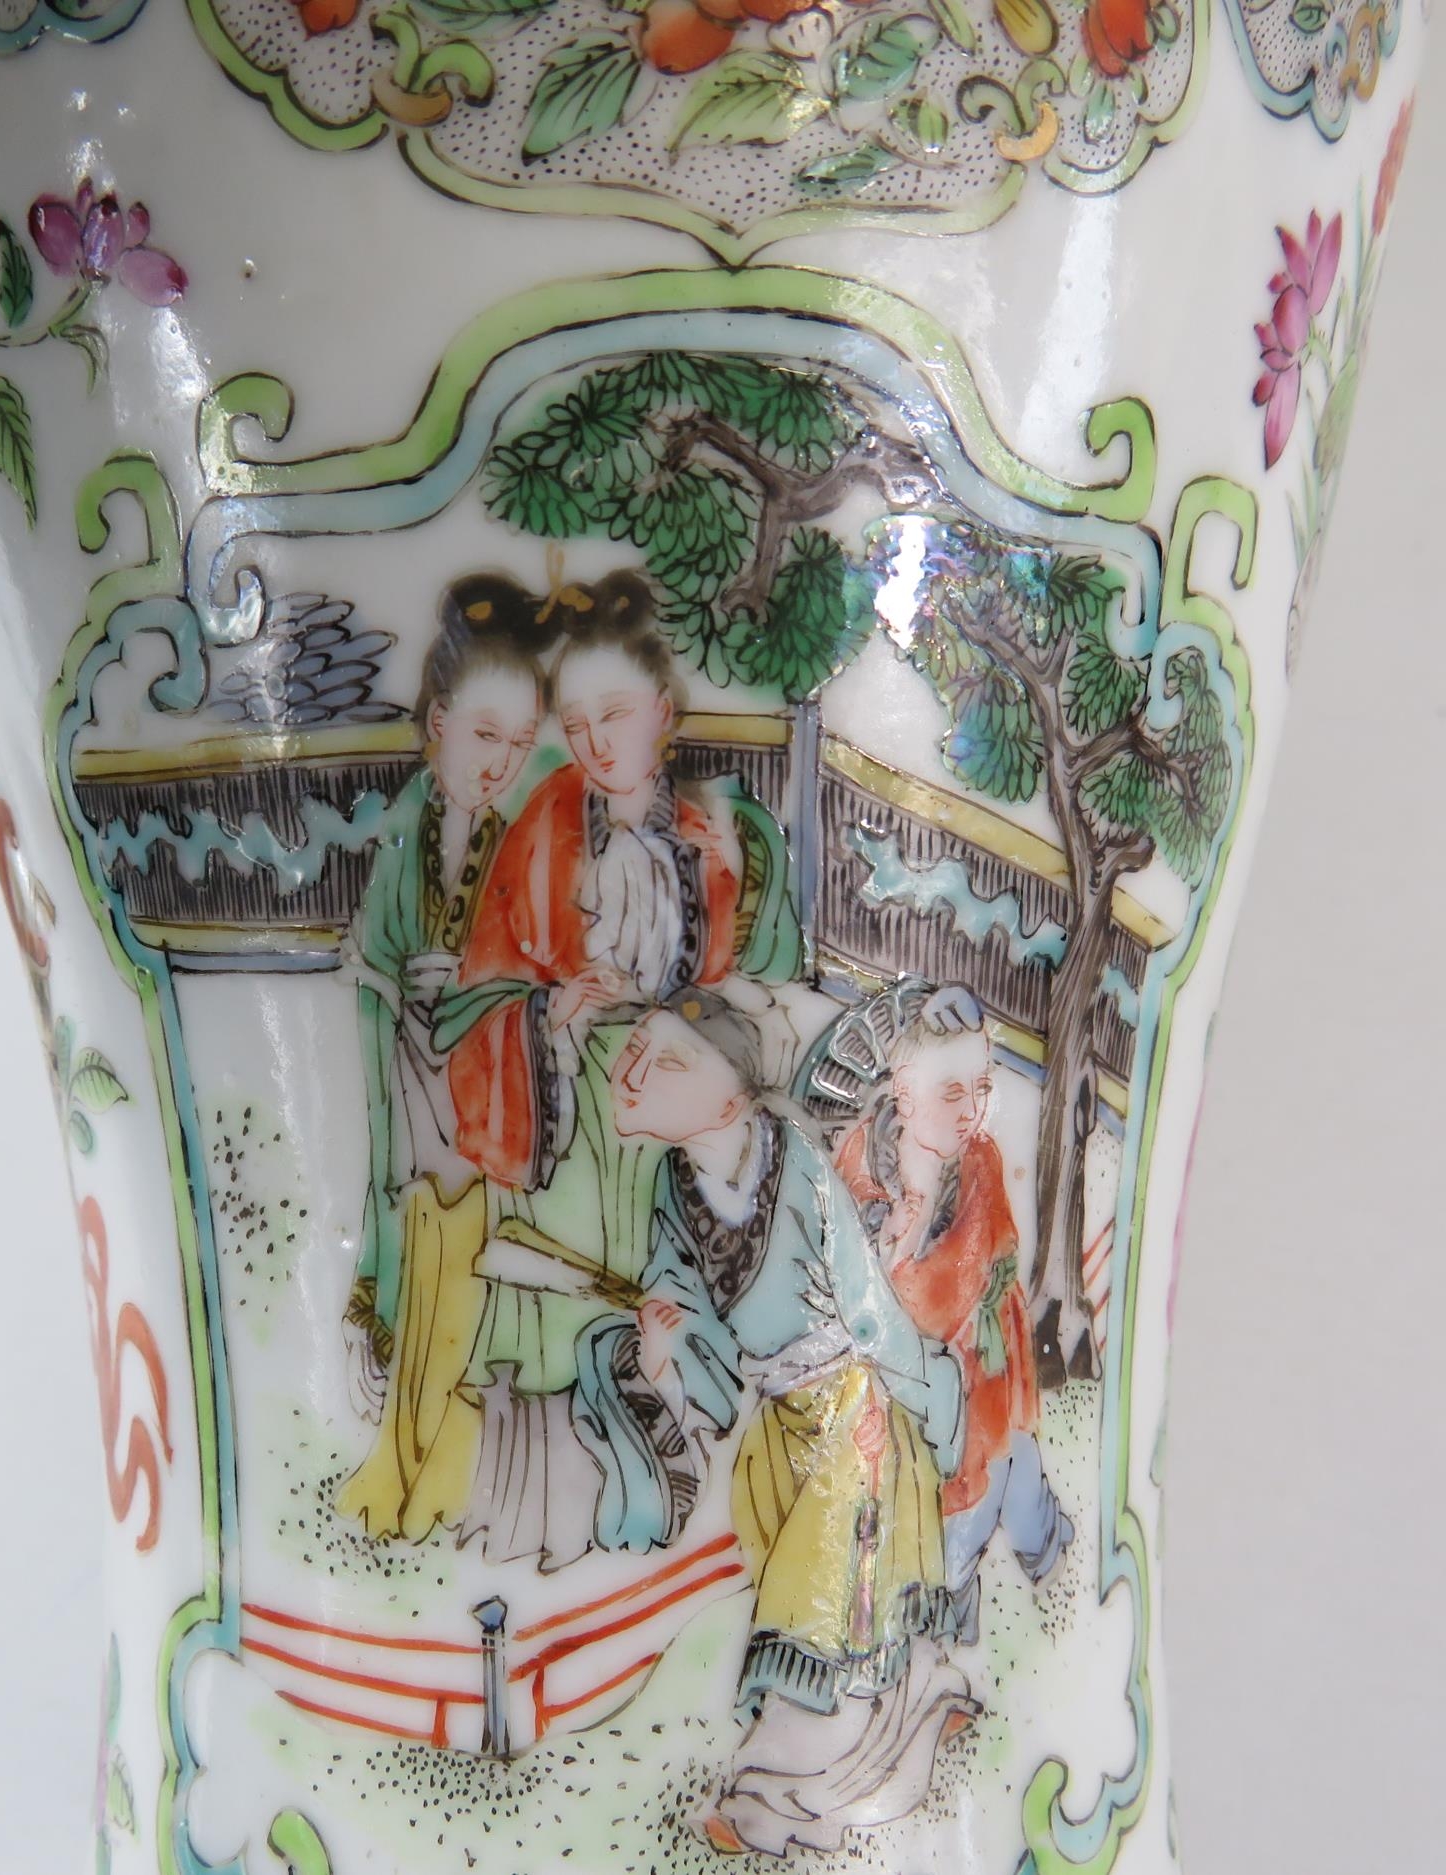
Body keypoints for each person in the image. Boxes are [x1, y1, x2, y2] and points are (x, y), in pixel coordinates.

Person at [435, 576, 802, 1567]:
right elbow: (483, 984)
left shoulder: (720, 833)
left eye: (614, 714)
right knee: (563, 1315)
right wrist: (551, 1011)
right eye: (575, 723)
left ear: (663, 712)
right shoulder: (545, 824)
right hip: (568, 1116)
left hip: (675, 1113)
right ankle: (548, 1509)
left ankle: (678, 1495)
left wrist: (693, 1024)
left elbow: (760, 987)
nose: (594, 743)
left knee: (668, 1301)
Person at [583, 998, 975, 1858]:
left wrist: (911, 1396)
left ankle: (768, 1796)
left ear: (735, 1094)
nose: (632, 1074)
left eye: (667, 1061)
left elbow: (864, 1301)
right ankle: (890, 1727)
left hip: (849, 1412)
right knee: (800, 1578)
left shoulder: (791, 1161)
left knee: (812, 1598)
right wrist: (662, 1350)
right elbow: (685, 1309)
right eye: (635, 1051)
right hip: (778, 1418)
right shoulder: (675, 1187)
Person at [336, 576, 552, 1543]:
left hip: (482, 1085)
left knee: (461, 1275)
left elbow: (540, 957)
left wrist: (478, 982)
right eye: (483, 735)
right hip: (413, 1079)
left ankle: (434, 1473)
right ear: (437, 726)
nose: (500, 763)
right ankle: (400, 1459)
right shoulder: (404, 827)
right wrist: (400, 985)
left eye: (519, 742)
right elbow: (370, 953)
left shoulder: (521, 837)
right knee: (422, 1263)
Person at [835, 987, 1073, 1642]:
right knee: (952, 1522)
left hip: (986, 1370)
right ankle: (946, 1632)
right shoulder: (861, 1169)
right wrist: (900, 1242)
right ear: (904, 1092)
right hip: (905, 1395)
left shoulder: (981, 1161)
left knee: (1011, 1472)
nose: (971, 1111)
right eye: (950, 1093)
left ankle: (1053, 1576)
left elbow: (988, 1263)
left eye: (982, 1089)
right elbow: (856, 1296)